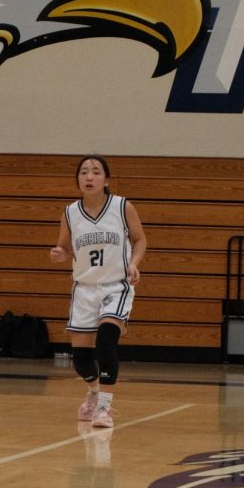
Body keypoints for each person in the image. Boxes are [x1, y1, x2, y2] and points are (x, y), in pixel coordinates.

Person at [48, 155, 147, 429]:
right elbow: (65, 248)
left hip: (117, 286)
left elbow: (139, 239)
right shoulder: (70, 213)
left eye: (95, 172)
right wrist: (60, 253)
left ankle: (104, 408)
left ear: (106, 180)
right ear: (78, 180)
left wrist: (134, 264)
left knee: (106, 340)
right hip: (84, 289)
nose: (89, 177)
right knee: (80, 361)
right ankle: (93, 393)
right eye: (83, 172)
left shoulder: (122, 206)